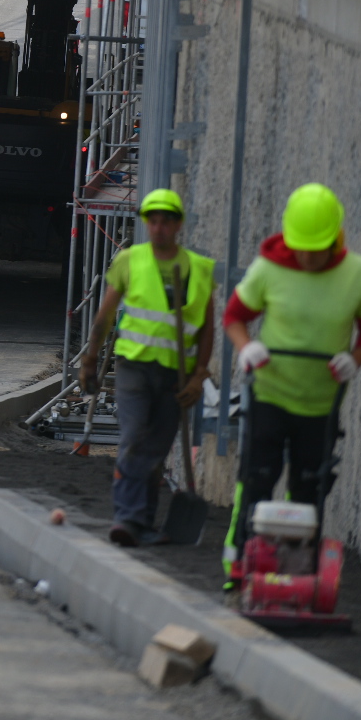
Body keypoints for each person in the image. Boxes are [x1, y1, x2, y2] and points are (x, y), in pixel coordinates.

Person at [222, 183, 361, 569]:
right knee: (258, 479)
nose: (308, 256)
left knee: (309, 488)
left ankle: (297, 569)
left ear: (336, 237)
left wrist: (354, 359)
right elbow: (234, 317)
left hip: (321, 404)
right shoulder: (267, 270)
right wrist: (247, 347)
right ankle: (239, 562)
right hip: (270, 394)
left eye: (317, 247)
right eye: (302, 247)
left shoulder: (359, 275)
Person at [79, 189, 216, 547]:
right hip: (135, 369)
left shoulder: (198, 270)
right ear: (147, 223)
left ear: (178, 224)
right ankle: (126, 517)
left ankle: (142, 522)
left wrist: (200, 374)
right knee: (134, 437)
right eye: (152, 221)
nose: (158, 228)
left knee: (156, 448)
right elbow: (106, 314)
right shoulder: (130, 261)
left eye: (166, 221)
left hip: (176, 376)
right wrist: (90, 358)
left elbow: (207, 330)